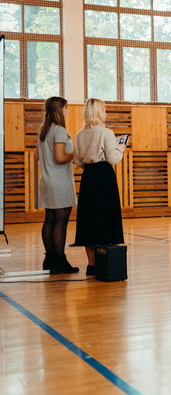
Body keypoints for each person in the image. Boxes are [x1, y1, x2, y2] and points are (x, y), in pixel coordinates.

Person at [73, 98, 127, 276]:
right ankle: (107, 263)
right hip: (104, 176)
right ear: (98, 112)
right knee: (106, 217)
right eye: (104, 110)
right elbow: (112, 158)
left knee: (89, 219)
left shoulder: (79, 135)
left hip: (88, 177)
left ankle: (91, 265)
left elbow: (78, 162)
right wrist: (121, 148)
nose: (106, 113)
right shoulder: (106, 133)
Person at [37, 97, 79, 274]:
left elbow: (38, 156)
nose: (68, 111)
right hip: (59, 182)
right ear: (59, 110)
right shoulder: (60, 131)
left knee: (50, 220)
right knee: (61, 222)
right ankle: (60, 260)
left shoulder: (44, 130)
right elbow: (60, 157)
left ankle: (50, 259)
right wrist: (77, 153)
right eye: (66, 108)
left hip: (47, 180)